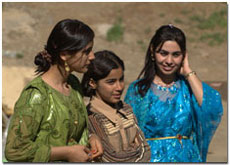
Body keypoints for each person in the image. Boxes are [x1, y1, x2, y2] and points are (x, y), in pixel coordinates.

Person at [5, 19, 103, 162]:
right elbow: (15, 150)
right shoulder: (36, 95)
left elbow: (73, 133)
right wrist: (66, 153)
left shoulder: (74, 85)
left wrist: (91, 138)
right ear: (64, 55)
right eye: (86, 51)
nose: (92, 56)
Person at [124, 24, 223, 162]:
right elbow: (128, 132)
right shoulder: (138, 90)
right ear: (152, 52)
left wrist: (188, 71)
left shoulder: (188, 87)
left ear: (184, 55)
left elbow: (212, 108)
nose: (169, 61)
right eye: (163, 53)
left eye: (176, 54)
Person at [81, 50, 151, 162]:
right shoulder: (92, 118)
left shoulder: (126, 110)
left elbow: (146, 150)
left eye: (121, 80)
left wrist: (131, 153)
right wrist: (135, 150)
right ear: (93, 83)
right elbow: (111, 158)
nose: (119, 87)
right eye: (111, 82)